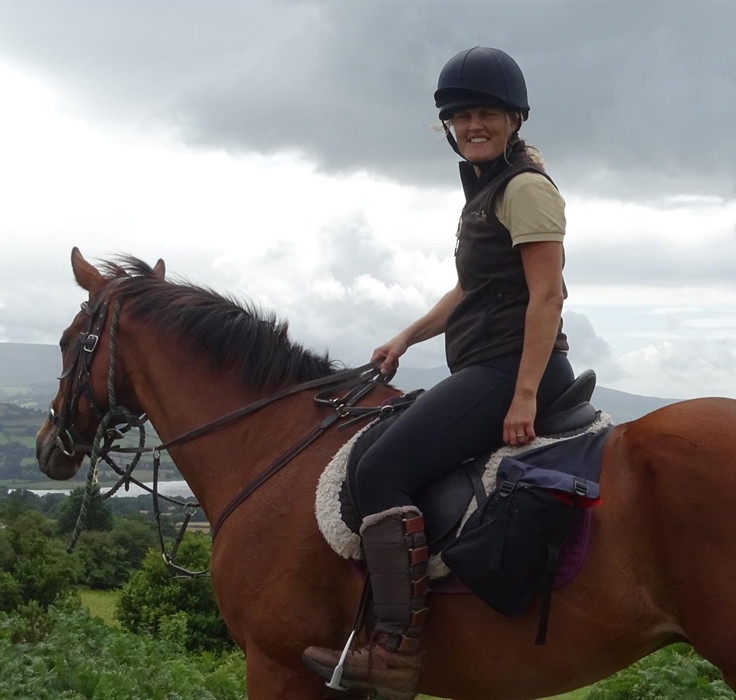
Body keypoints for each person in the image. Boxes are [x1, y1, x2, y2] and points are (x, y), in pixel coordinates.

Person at [302, 46, 574, 700]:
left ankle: (393, 653)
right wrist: (405, 335)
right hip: (489, 364)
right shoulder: (487, 191)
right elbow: (469, 290)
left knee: (380, 470)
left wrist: (524, 397)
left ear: (513, 120)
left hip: (510, 369)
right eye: (459, 117)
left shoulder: (524, 188)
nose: (471, 125)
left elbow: (547, 296)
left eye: (484, 114)